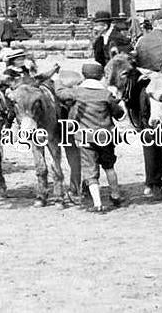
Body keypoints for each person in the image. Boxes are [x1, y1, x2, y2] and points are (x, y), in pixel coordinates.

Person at [56, 62, 125, 213]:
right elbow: (119, 113)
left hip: (85, 137)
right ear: (101, 76)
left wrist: (57, 80)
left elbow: (61, 93)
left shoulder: (77, 93)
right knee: (109, 166)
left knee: (90, 170)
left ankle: (98, 203)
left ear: (83, 76)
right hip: (106, 136)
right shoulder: (105, 94)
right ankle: (115, 195)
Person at [132, 9, 162, 199]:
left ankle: (152, 183)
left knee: (149, 135)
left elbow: (134, 63)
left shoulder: (141, 40)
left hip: (146, 92)